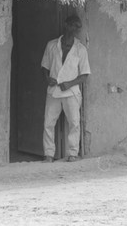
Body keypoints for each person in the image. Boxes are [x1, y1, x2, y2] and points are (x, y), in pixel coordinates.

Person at [40, 15, 91, 163]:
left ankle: (72, 153)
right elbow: (44, 67)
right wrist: (47, 78)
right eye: (73, 25)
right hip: (54, 91)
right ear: (66, 25)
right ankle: (48, 154)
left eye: (78, 27)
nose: (75, 29)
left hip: (71, 92)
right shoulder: (52, 45)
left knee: (74, 123)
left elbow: (85, 75)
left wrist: (69, 84)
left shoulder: (80, 49)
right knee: (49, 123)